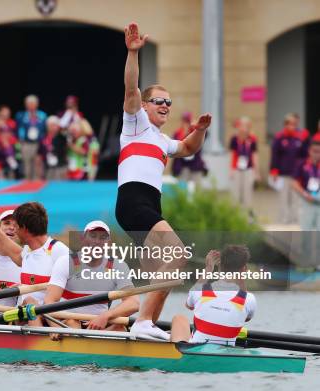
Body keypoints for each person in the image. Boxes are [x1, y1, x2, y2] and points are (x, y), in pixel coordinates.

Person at [116, 22, 211, 338]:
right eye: (160, 101)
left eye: (169, 103)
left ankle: (147, 324)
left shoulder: (162, 140)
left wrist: (199, 130)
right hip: (133, 201)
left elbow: (186, 148)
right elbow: (131, 87)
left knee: (165, 271)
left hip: (147, 205)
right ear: (144, 106)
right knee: (179, 254)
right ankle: (142, 322)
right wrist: (133, 54)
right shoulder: (135, 124)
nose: (166, 107)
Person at [44, 220, 138, 339]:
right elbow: (49, 301)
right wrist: (55, 327)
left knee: (120, 329)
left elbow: (133, 303)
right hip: (69, 322)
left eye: (103, 237)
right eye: (93, 236)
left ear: (108, 243)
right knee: (73, 323)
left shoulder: (118, 266)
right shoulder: (66, 262)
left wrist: (105, 316)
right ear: (83, 239)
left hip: (99, 324)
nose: (97, 242)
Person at [170, 246, 257, 345]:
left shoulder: (200, 291)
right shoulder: (249, 299)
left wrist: (208, 268)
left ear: (219, 267)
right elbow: (246, 318)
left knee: (179, 318)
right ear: (244, 269)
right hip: (225, 353)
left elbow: (188, 305)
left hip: (196, 352)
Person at [270, 114, 308, 224]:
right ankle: (283, 220)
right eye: (290, 124)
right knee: (283, 199)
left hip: (296, 175)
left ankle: (295, 220)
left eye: (294, 124)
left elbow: (305, 155)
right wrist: (274, 170)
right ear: (285, 125)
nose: (293, 126)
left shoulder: (300, 138)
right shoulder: (279, 137)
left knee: (296, 199)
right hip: (283, 174)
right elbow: (275, 155)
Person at [229, 117, 259, 218]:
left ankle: (249, 215)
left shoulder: (252, 139)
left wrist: (256, 171)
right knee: (236, 192)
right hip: (237, 168)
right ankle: (234, 214)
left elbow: (254, 155)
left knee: (248, 192)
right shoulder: (234, 139)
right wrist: (231, 169)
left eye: (246, 126)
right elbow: (232, 154)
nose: (243, 128)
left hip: (248, 169)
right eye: (242, 126)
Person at [292, 133, 320, 230]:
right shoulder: (302, 164)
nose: (317, 154)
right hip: (307, 199)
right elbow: (294, 183)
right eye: (314, 151)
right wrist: (304, 194)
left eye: (319, 152)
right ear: (309, 151)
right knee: (306, 229)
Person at [172, 112, 207, 186]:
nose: (186, 123)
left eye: (187, 121)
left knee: (197, 188)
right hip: (182, 165)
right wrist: (185, 132)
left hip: (195, 164)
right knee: (182, 188)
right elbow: (176, 146)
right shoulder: (178, 133)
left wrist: (196, 126)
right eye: (184, 121)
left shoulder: (195, 130)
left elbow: (205, 135)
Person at [15, 95, 47, 179]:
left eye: (33, 103)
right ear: (26, 105)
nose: (31, 105)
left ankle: (37, 185)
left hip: (39, 144)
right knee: (26, 166)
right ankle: (26, 184)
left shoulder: (42, 115)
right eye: (29, 103)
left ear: (37, 104)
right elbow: (18, 129)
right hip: (26, 143)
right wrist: (20, 141)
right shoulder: (21, 116)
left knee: (38, 166)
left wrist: (43, 143)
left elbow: (45, 129)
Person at [39, 116, 68, 180]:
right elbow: (39, 154)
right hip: (48, 168)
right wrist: (40, 170)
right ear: (47, 126)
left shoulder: (62, 138)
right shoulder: (43, 138)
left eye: (55, 125)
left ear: (58, 126)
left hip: (61, 167)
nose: (53, 127)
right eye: (51, 125)